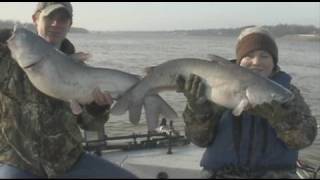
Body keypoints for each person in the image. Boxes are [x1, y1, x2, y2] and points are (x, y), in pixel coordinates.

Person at [0, 2, 137, 178]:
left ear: (69, 25)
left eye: (63, 19)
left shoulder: (80, 70)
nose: (56, 24)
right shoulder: (6, 60)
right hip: (18, 162)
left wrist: (97, 107)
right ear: (35, 19)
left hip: (69, 162)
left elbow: (90, 125)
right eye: (50, 17)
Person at [176, 26, 318, 178]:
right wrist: (198, 110)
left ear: (274, 61)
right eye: (249, 55)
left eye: (264, 56)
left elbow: (304, 141)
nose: (256, 61)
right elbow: (199, 140)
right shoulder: (212, 89)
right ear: (239, 60)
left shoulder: (288, 93)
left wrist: (284, 119)